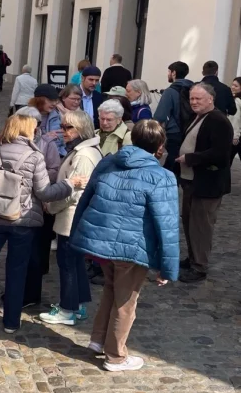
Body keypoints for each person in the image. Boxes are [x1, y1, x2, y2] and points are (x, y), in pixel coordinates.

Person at [0, 114, 84, 333]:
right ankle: (11, 321)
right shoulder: (35, 156)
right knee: (17, 270)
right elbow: (44, 192)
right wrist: (69, 184)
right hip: (23, 221)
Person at [70, 120, 179, 371]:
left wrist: (79, 235)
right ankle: (116, 356)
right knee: (126, 301)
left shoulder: (109, 162)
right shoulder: (161, 176)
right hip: (132, 247)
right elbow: (168, 225)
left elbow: (86, 200)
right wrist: (167, 267)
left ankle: (98, 340)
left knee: (111, 289)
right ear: (160, 145)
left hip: (103, 243)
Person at [39, 110, 101, 325]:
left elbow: (73, 191)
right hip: (73, 215)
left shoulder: (83, 155)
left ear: (81, 129)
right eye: (63, 127)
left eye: (69, 128)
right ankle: (79, 305)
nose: (64, 131)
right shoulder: (83, 150)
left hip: (71, 217)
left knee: (67, 263)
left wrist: (51, 205)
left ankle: (68, 309)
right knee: (74, 263)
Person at [176, 83, 233, 283]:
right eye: (192, 99)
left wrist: (190, 158)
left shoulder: (218, 120)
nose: (194, 102)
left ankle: (199, 266)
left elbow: (220, 154)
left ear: (211, 99)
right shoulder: (200, 116)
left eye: (198, 99)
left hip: (207, 184)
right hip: (193, 181)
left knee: (201, 225)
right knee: (190, 222)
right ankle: (193, 258)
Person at [15, 106, 62, 308]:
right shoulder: (12, 140)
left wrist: (36, 176)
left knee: (35, 252)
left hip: (39, 202)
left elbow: (54, 170)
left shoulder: (47, 144)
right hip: (16, 202)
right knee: (19, 250)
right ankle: (17, 289)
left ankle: (31, 294)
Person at [153, 61, 193, 169]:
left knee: (171, 162)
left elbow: (160, 116)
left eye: (169, 72)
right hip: (190, 129)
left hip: (174, 132)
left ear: (174, 73)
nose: (168, 74)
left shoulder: (170, 91)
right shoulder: (192, 89)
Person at [30, 84, 65, 157]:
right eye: (51, 100)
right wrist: (44, 137)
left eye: (56, 100)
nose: (54, 103)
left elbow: (59, 140)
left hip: (54, 156)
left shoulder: (55, 114)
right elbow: (22, 141)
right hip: (33, 157)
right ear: (39, 100)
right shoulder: (27, 116)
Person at [230, 77, 241, 165]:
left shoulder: (237, 101)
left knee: (228, 161)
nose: (232, 87)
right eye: (232, 85)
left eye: (236, 86)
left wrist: (235, 136)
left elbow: (235, 119)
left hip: (237, 136)